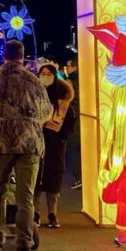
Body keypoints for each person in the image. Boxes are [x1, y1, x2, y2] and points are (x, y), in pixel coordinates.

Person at [0, 40, 53, 251]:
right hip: (29, 143)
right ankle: (23, 248)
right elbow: (46, 111)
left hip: (0, 143)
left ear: (4, 55)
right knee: (25, 196)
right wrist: (30, 124)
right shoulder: (33, 80)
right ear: (22, 55)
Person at [34, 63, 75, 229]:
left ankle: (52, 213)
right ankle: (35, 213)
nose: (45, 77)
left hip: (55, 144)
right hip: (36, 142)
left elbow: (70, 119)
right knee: (35, 178)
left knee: (54, 179)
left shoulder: (63, 98)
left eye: (48, 74)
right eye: (42, 74)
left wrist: (63, 137)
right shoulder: (34, 94)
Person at [63, 59, 82, 190]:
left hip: (74, 118)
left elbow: (67, 100)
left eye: (68, 66)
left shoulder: (69, 81)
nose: (67, 68)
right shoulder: (86, 78)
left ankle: (80, 177)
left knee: (73, 147)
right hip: (87, 116)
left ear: (74, 67)